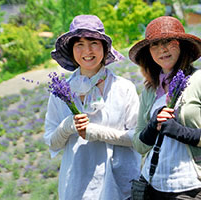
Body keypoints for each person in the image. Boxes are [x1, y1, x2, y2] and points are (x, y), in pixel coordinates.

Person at [129, 16, 201, 199]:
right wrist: (152, 128)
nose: (163, 49)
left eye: (169, 41)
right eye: (155, 44)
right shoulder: (149, 90)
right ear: (149, 52)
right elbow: (139, 145)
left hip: (191, 185)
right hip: (152, 185)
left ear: (182, 45)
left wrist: (182, 132)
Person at [44, 15, 141, 200]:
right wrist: (67, 127)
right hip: (77, 188)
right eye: (79, 44)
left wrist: (97, 132)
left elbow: (137, 138)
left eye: (93, 42)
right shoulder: (60, 92)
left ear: (104, 48)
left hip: (119, 186)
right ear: (72, 51)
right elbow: (51, 141)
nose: (87, 50)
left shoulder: (122, 87)